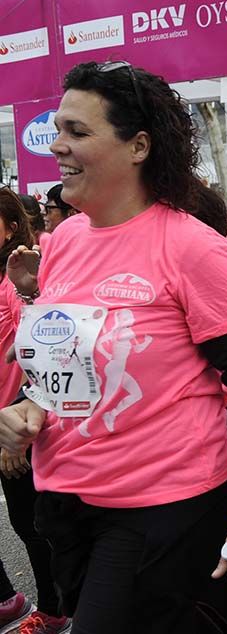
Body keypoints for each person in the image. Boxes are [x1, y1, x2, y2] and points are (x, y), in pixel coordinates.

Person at [0, 61, 227, 633]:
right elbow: (67, 363)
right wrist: (28, 408)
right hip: (67, 505)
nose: (57, 146)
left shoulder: (191, 246)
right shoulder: (64, 239)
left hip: (159, 509)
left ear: (138, 145)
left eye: (77, 132)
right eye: (57, 131)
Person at [0, 188, 70, 634]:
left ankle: (55, 609)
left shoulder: (15, 278)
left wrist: (20, 418)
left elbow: (42, 346)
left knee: (32, 523)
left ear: (9, 224)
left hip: (19, 418)